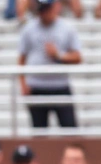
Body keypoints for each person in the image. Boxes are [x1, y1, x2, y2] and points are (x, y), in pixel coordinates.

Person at [18, 0, 81, 129]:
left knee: (69, 129)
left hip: (60, 85)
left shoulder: (67, 28)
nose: (44, 13)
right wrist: (23, 84)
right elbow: (21, 58)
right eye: (42, 9)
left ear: (56, 7)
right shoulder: (29, 28)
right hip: (37, 86)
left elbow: (77, 57)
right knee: (39, 131)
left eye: (47, 8)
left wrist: (58, 55)